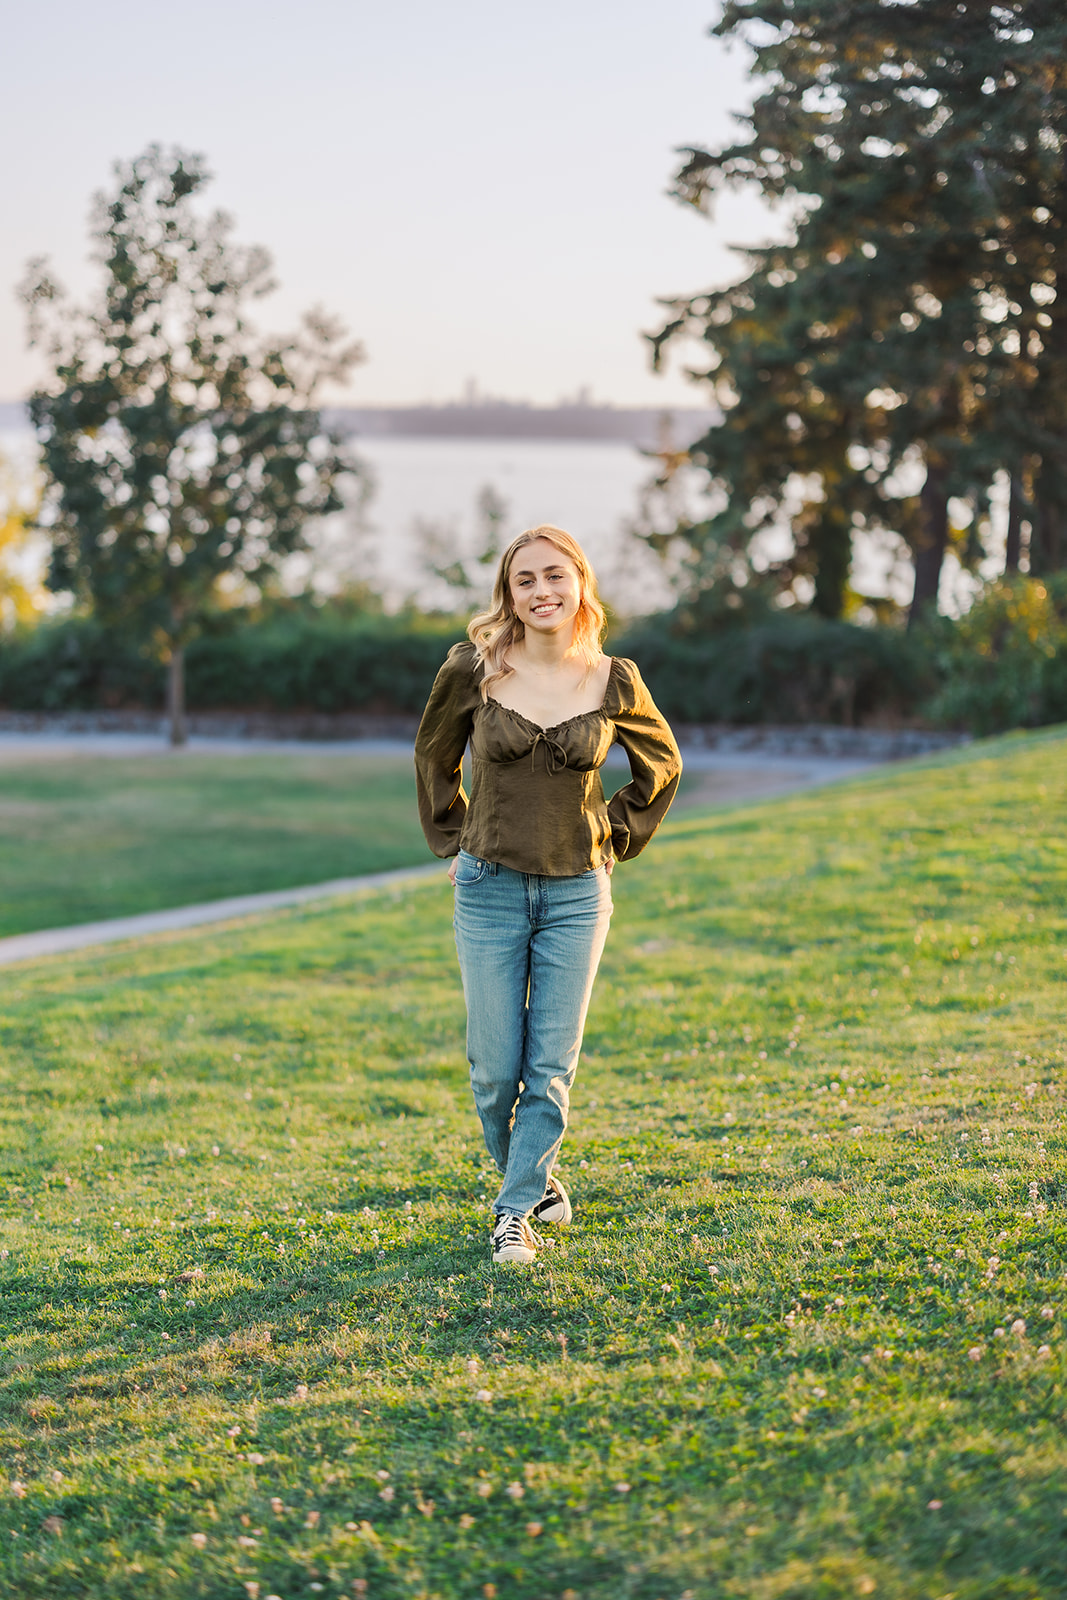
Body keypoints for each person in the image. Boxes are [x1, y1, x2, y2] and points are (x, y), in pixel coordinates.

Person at [414, 525, 681, 1264]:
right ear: (508, 592)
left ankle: (512, 1211)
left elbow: (661, 766)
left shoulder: (613, 678)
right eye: (525, 579)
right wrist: (457, 836)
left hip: (576, 895)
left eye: (555, 577)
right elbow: (434, 756)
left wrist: (613, 835)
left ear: (580, 585)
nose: (542, 592)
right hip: (488, 889)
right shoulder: (472, 669)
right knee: (495, 1070)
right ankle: (538, 1182)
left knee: (552, 1065)